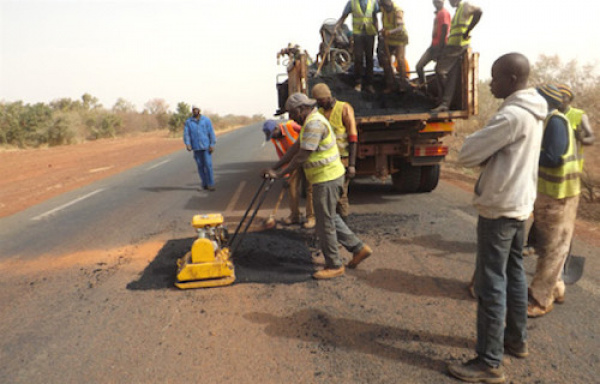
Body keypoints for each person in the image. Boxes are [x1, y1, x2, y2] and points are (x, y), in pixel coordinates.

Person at [447, 53, 547, 383]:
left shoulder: (512, 117)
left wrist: (482, 148)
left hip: (500, 207)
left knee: (491, 283)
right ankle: (516, 341)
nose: (491, 83)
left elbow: (467, 152)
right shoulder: (535, 110)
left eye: (496, 77)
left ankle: (489, 361)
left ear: (513, 80)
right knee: (514, 273)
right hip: (520, 205)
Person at [263, 93, 373, 279]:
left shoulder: (314, 123)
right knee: (330, 217)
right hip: (324, 177)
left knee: (325, 224)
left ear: (300, 109)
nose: (290, 118)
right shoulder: (309, 121)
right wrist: (273, 168)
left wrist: (280, 173)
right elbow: (295, 148)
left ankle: (335, 265)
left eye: (291, 113)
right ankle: (359, 248)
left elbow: (302, 155)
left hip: (327, 178)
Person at [527, 84, 583, 318]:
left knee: (552, 250)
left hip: (558, 194)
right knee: (553, 245)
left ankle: (541, 299)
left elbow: (553, 158)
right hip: (554, 192)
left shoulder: (555, 122)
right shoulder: (550, 121)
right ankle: (557, 288)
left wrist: (525, 152)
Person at [311, 83, 358, 221]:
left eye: (321, 101)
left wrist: (352, 164)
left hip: (342, 160)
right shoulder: (319, 113)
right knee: (328, 197)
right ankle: (334, 228)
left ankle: (344, 226)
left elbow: (353, 137)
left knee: (341, 196)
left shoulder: (344, 108)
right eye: (317, 102)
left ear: (327, 97)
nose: (319, 104)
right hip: (326, 163)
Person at [262, 120, 316, 229]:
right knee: (292, 188)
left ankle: (311, 217)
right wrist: (286, 175)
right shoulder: (274, 139)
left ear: (277, 128)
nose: (274, 137)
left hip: (307, 157)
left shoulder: (290, 125)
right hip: (293, 163)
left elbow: (308, 132)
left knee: (310, 189)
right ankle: (294, 216)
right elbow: (282, 155)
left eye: (274, 134)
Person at [431, 0, 482, 113]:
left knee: (439, 70)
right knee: (452, 75)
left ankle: (443, 100)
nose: (450, 2)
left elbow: (479, 11)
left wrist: (468, 30)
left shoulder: (466, 6)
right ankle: (445, 103)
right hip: (454, 45)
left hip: (458, 45)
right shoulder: (458, 10)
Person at [336, 0, 380, 93]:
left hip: (370, 33)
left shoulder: (373, 2)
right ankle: (358, 82)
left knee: (369, 58)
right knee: (358, 58)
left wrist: (378, 31)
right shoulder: (352, 3)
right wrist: (337, 26)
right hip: (358, 34)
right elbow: (344, 16)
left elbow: (375, 18)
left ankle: (369, 84)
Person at [557, 84, 595, 171]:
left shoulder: (579, 115)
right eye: (558, 96)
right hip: (554, 164)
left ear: (569, 100)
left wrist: (582, 139)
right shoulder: (550, 114)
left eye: (563, 96)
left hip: (573, 167)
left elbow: (592, 138)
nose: (560, 99)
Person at [416, 0, 451, 90]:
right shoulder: (438, 14)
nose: (437, 3)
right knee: (419, 66)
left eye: (439, 1)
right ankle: (424, 89)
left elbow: (445, 29)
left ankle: (443, 96)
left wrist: (440, 49)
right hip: (433, 46)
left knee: (439, 71)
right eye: (435, 2)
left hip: (440, 47)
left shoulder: (444, 13)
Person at [378, 0, 410, 93]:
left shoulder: (397, 10)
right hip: (389, 39)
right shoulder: (383, 10)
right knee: (385, 60)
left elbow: (400, 27)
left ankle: (403, 84)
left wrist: (389, 32)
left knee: (400, 59)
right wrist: (383, 31)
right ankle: (390, 84)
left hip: (400, 38)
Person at [184, 106, 216, 191]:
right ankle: (204, 184)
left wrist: (212, 144)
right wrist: (188, 144)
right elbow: (186, 134)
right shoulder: (189, 122)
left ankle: (211, 184)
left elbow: (211, 132)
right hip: (196, 147)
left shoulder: (206, 120)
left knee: (208, 165)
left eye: (196, 110)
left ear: (199, 110)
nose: (195, 111)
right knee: (200, 166)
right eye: (193, 110)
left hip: (206, 147)